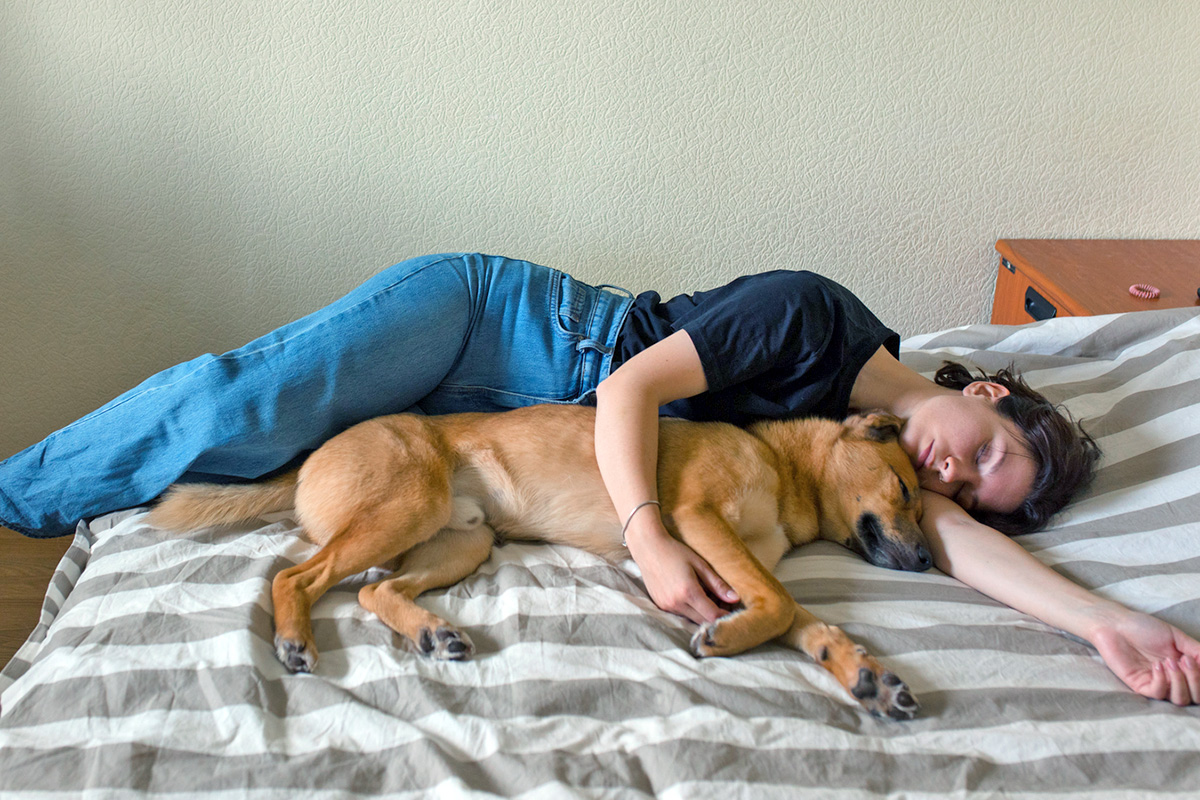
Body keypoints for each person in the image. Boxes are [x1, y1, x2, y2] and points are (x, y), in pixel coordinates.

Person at [1, 252, 1196, 705]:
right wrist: (650, 533)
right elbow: (626, 393)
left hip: (518, 441)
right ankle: (17, 490)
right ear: (981, 390)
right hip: (508, 334)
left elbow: (959, 541)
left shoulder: (863, 460)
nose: (952, 472)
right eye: (982, 448)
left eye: (971, 486)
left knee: (331, 475)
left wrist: (1111, 622)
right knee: (242, 408)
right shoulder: (820, 322)